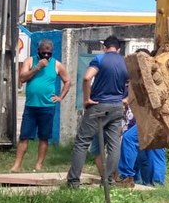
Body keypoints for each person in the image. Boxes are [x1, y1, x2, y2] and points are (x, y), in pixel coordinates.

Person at [66, 35, 129, 189]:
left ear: (104, 47)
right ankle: (108, 182)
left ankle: (73, 181)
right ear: (119, 48)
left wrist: (87, 99)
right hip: (117, 107)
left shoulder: (100, 59)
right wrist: (126, 99)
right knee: (114, 145)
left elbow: (87, 78)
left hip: (98, 105)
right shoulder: (125, 62)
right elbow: (133, 83)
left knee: (82, 141)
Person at [11, 39, 71, 172]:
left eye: (49, 53)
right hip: (31, 106)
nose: (46, 56)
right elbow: (22, 78)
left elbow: (67, 81)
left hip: (47, 106)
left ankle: (39, 165)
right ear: (38, 51)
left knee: (44, 137)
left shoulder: (57, 64)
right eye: (44, 53)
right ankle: (17, 165)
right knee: (24, 136)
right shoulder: (30, 61)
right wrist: (37, 67)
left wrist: (60, 97)